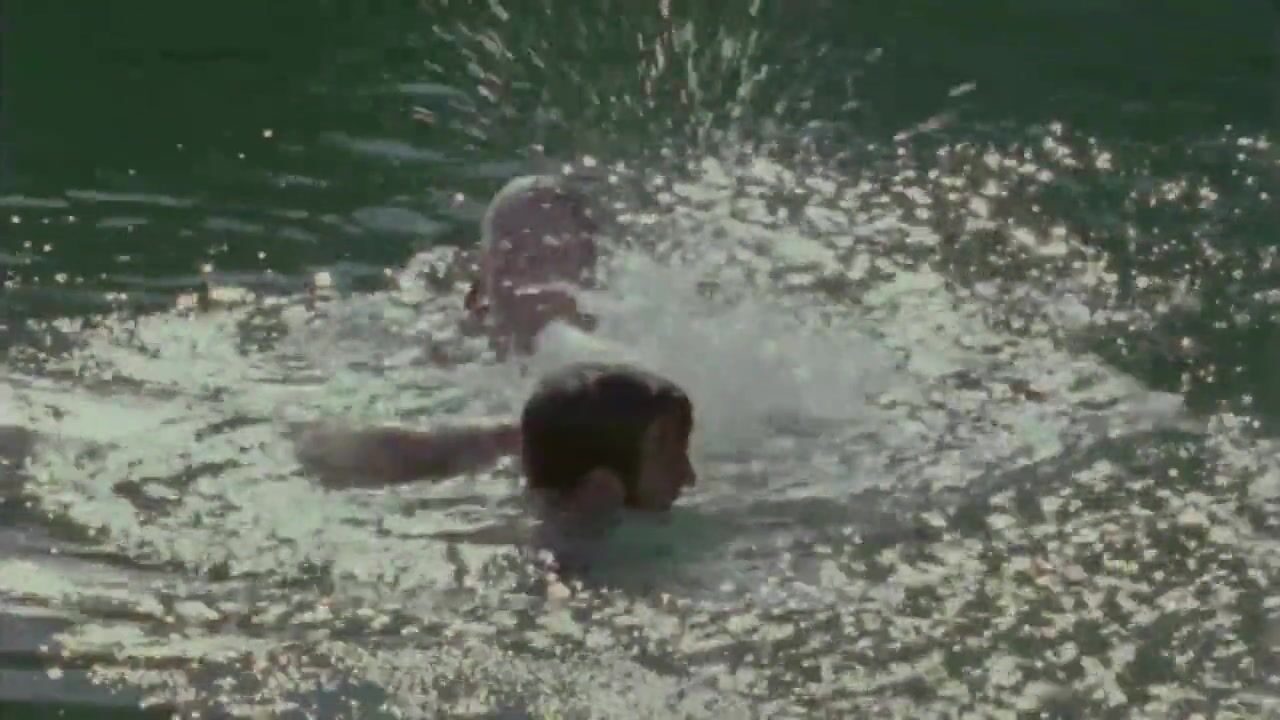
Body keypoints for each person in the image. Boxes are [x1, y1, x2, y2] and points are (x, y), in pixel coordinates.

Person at [293, 361, 698, 532]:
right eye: (672, 458)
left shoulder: (510, 459)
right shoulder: (580, 553)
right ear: (601, 488)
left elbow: (320, 445)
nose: (689, 477)